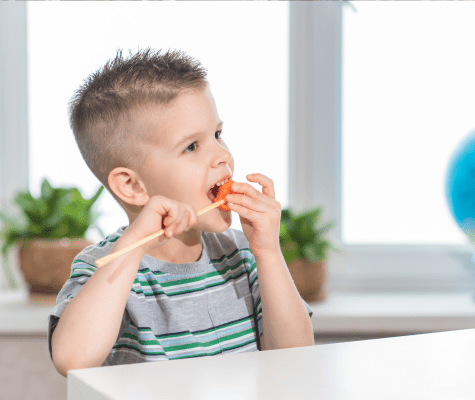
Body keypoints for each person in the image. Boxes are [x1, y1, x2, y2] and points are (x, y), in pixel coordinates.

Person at [48, 48, 314, 377]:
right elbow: (72, 359)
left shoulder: (243, 255)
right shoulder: (108, 269)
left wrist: (269, 253)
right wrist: (133, 246)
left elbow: (296, 362)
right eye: (191, 146)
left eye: (217, 135)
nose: (222, 156)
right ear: (132, 186)